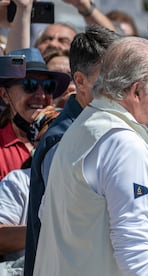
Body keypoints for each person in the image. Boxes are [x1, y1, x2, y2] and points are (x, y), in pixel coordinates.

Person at [33, 36, 148, 275]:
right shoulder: (124, 144)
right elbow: (134, 252)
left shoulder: (79, 130)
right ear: (136, 90)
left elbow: (48, 215)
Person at [24, 25, 121, 276]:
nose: (122, 87)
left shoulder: (102, 130)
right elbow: (69, 230)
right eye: (110, 77)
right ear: (80, 80)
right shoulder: (63, 141)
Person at [0, 47, 70, 180]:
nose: (41, 95)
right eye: (30, 84)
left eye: (48, 86)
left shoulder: (67, 139)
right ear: (5, 95)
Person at [0, 107, 59, 263]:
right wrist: (50, 233)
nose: (59, 146)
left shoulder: (85, 181)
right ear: (35, 145)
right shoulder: (18, 181)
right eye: (51, 139)